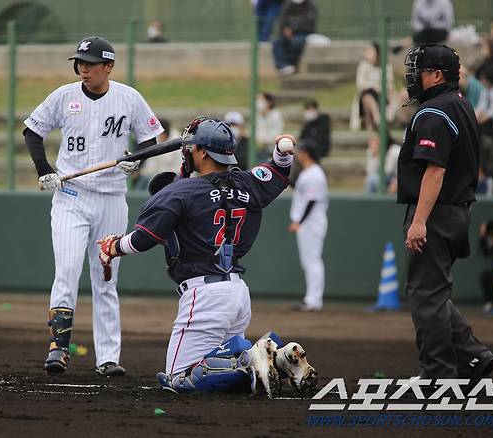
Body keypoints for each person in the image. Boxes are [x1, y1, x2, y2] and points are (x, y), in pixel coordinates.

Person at [95, 116, 296, 392]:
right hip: (238, 292)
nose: (188, 152)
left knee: (179, 378)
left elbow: (143, 240)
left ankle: (252, 363)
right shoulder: (248, 183)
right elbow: (278, 171)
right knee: (217, 363)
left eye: (191, 148)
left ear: (202, 152)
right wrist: (282, 153)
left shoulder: (181, 192)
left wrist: (113, 246)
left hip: (205, 295)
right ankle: (272, 356)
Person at [22, 36, 164, 377]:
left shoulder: (128, 97)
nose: (83, 68)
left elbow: (149, 139)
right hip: (71, 195)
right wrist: (45, 170)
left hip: (113, 198)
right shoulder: (64, 95)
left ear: (109, 66)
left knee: (105, 279)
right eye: (80, 63)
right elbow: (32, 131)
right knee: (67, 272)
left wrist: (138, 163)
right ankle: (58, 348)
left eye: (90, 63)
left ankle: (108, 358)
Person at [398, 44, 493, 380]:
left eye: (420, 72)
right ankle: (473, 355)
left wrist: (420, 221)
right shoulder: (461, 105)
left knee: (425, 296)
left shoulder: (433, 112)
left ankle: (438, 375)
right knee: (434, 292)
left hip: (437, 214)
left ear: (437, 75)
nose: (414, 78)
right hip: (456, 212)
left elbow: (435, 171)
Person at [288, 139, 328, 312]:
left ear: (306, 153)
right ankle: (311, 298)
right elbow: (298, 188)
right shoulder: (308, 172)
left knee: (312, 261)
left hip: (312, 223)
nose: (298, 154)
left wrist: (299, 222)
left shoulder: (315, 174)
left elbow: (312, 201)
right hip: (308, 223)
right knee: (309, 261)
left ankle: (314, 299)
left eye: (300, 151)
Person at [352, 42, 395, 132]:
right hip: (366, 95)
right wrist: (374, 86)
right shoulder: (363, 65)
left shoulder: (386, 66)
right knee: (367, 96)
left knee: (369, 97)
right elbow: (361, 84)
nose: (368, 53)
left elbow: (390, 84)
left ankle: (373, 124)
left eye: (371, 51)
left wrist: (380, 89)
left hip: (382, 96)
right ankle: (377, 120)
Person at [272, 0, 318, 76]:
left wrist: (292, 27)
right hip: (287, 33)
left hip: (303, 33)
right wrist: (285, 28)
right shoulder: (288, 4)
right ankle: (283, 66)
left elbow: (309, 22)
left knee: (296, 43)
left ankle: (291, 65)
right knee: (277, 42)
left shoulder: (310, 5)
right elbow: (282, 19)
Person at [134, 118, 181, 190]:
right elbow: (150, 165)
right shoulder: (157, 140)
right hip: (158, 179)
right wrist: (140, 173)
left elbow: (179, 170)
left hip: (175, 181)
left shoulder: (178, 143)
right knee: (145, 179)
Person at [255, 92, 284, 158]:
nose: (259, 102)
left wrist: (261, 141)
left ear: (269, 102)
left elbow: (275, 135)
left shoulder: (276, 115)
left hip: (270, 151)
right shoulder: (257, 115)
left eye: (262, 100)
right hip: (257, 149)